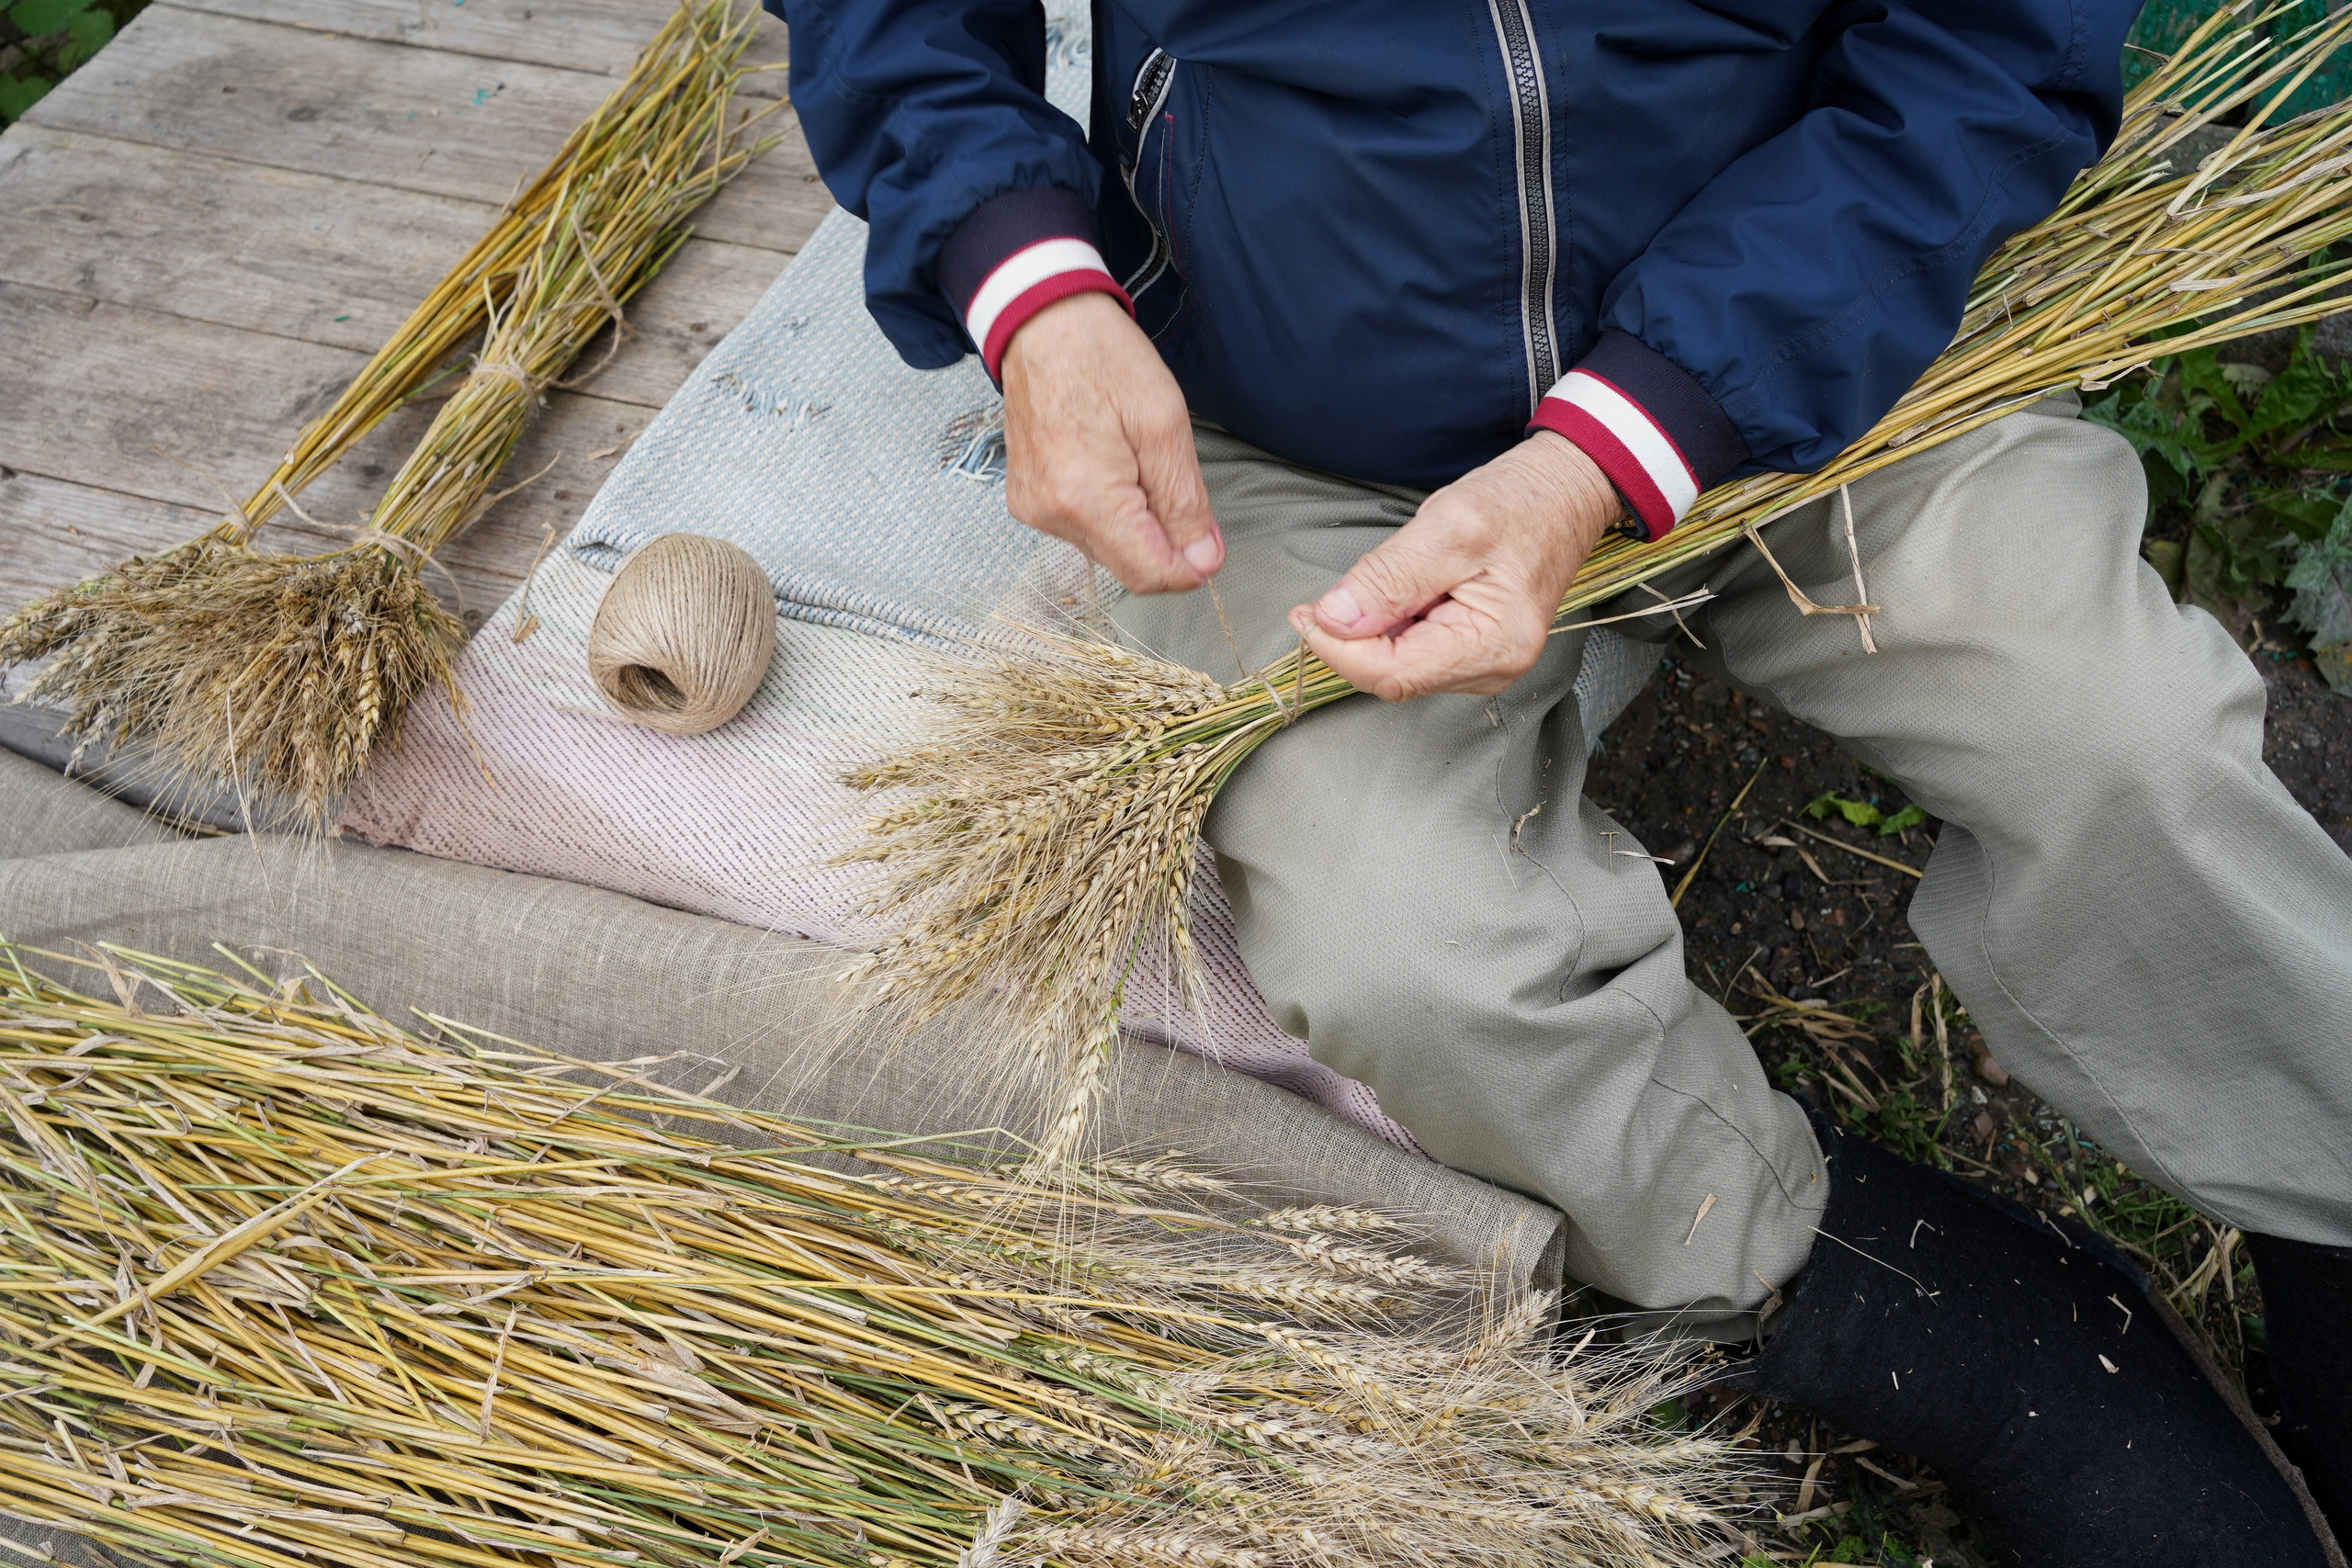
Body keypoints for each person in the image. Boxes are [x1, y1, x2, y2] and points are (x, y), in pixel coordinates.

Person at [776, 2, 2352, 1560]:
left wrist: (1612, 444)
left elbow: (1988, 40)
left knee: (2115, 739)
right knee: (1406, 942)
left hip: (1829, 335)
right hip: (1300, 431)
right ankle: (1943, 1321)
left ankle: (2325, 1198)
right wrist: (1029, 282)